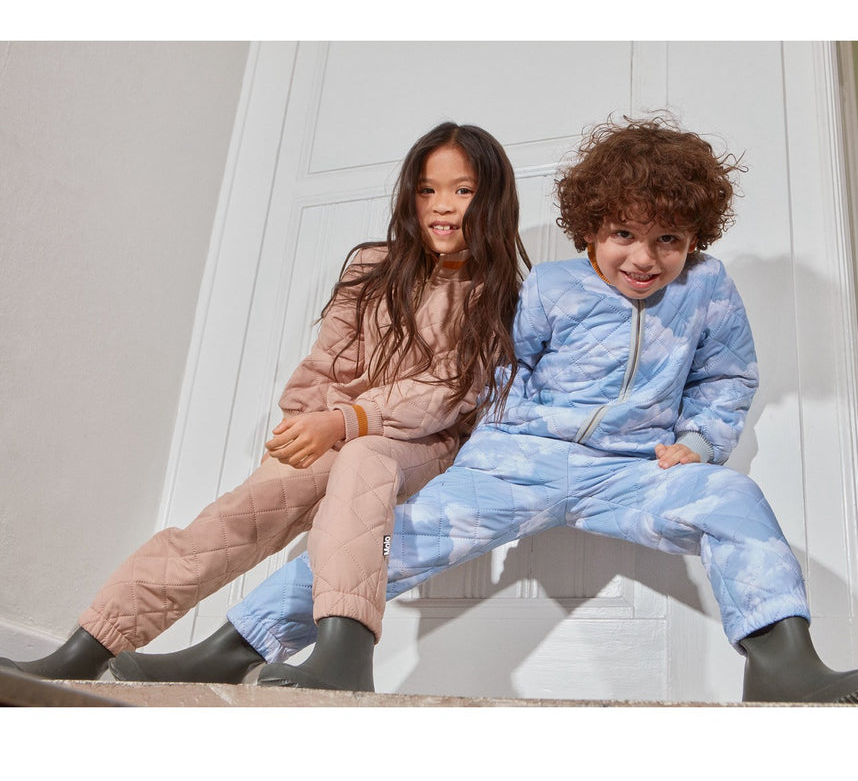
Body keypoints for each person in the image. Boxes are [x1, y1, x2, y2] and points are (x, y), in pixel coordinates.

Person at [156, 113, 858, 704]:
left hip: (629, 471)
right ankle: (233, 645)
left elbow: (727, 377)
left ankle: (782, 664)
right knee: (381, 538)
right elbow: (507, 368)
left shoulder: (707, 288)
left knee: (733, 499)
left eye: (668, 240)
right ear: (590, 228)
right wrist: (492, 447)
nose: (644, 259)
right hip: (522, 461)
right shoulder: (550, 286)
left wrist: (700, 443)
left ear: (695, 236)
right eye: (623, 235)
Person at [0, 121, 531, 690]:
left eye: (462, 190)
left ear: (491, 198)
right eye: (427, 189)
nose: (441, 205)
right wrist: (295, 431)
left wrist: (346, 420)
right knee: (237, 516)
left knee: (367, 458)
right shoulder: (372, 267)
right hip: (334, 427)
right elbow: (326, 363)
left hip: (419, 442)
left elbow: (446, 392)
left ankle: (345, 656)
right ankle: (89, 646)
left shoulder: (498, 293)